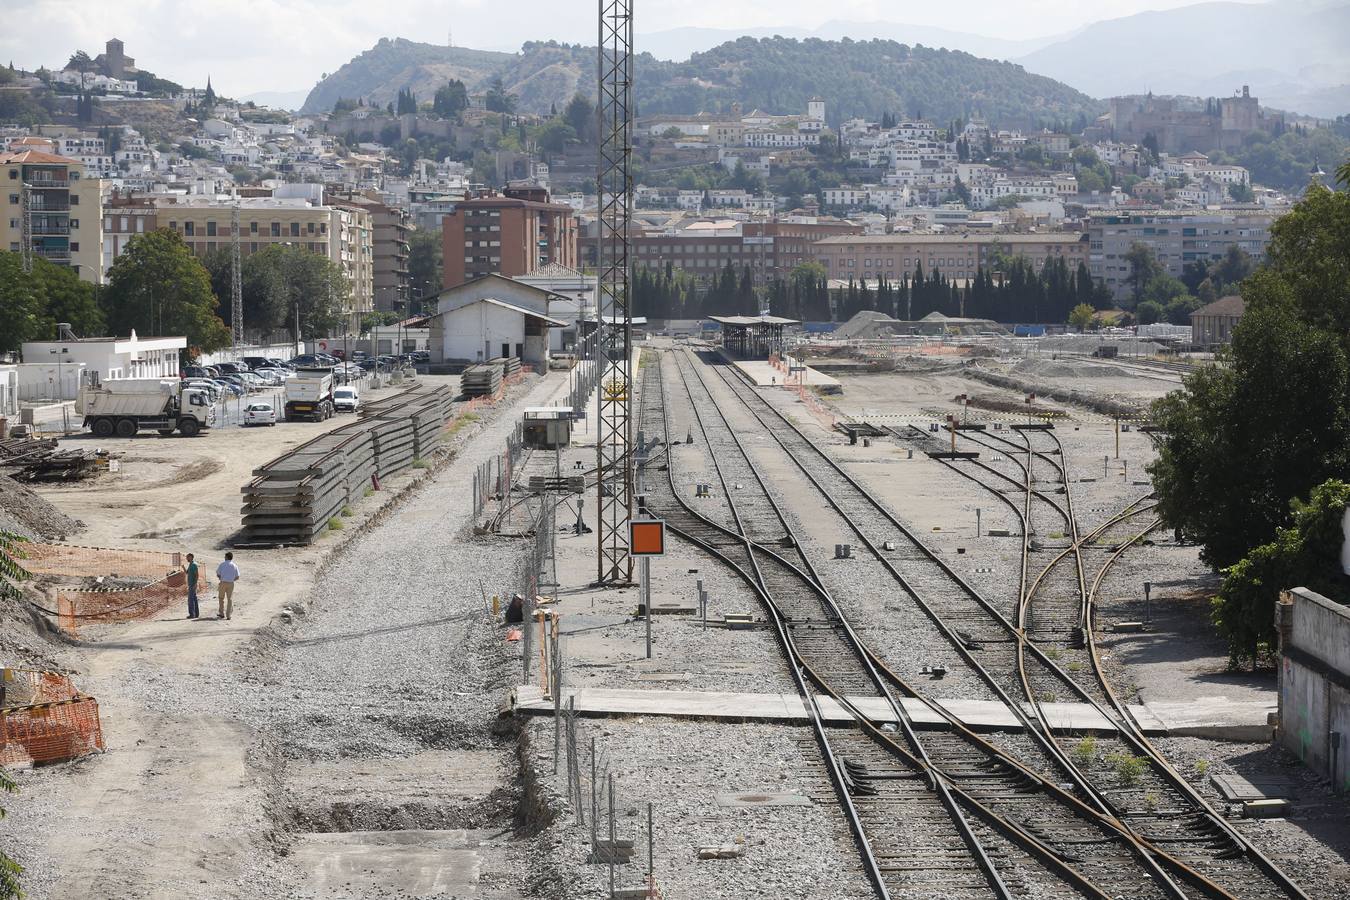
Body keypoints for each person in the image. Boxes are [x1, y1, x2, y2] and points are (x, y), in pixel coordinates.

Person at [216, 552, 240, 620]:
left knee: (221, 598)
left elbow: (218, 574)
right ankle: (228, 615)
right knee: (230, 599)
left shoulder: (222, 564)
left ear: (226, 557)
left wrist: (221, 578)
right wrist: (232, 580)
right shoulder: (234, 565)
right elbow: (238, 576)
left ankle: (221, 613)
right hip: (231, 583)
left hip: (223, 582)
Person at [185, 552, 200, 619]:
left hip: (192, 584)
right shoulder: (191, 564)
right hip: (191, 584)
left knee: (190, 600)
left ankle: (192, 614)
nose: (186, 558)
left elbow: (197, 575)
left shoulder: (194, 565)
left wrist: (195, 584)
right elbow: (187, 572)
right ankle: (196, 614)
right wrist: (183, 567)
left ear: (191, 557)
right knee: (194, 599)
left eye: (187, 557)